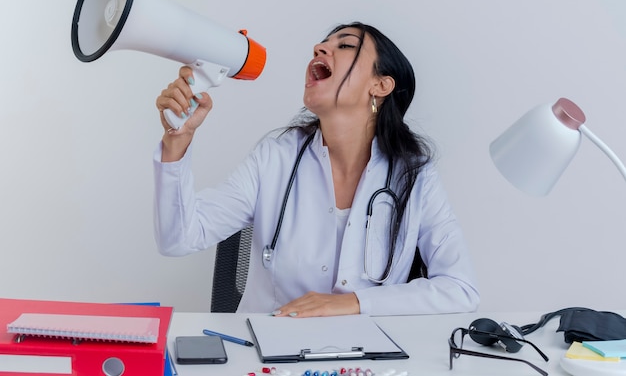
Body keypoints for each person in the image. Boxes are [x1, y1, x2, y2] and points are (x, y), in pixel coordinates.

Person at [153, 21, 480, 317]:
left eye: (346, 45)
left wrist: (352, 303)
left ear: (381, 86)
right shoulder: (275, 157)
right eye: (322, 44)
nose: (319, 49)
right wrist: (176, 142)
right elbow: (179, 239)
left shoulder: (414, 175)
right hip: (267, 352)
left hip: (363, 356)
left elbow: (460, 289)